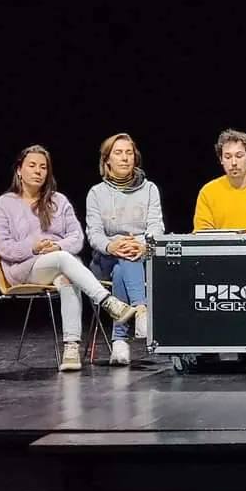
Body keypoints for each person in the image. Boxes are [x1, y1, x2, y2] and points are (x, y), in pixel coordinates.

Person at [0, 145, 139, 372]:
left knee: (68, 272)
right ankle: (107, 301)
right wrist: (34, 247)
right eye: (32, 166)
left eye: (43, 167)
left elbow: (77, 238)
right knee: (66, 261)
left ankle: (71, 347)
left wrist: (57, 245)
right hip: (23, 269)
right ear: (19, 170)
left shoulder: (58, 201)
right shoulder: (4, 204)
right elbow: (2, 246)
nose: (38, 171)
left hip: (60, 265)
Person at [85, 133, 165, 366]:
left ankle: (119, 341)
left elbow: (156, 227)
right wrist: (113, 245)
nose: (124, 158)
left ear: (135, 157)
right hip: (105, 261)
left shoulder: (149, 189)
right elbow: (94, 234)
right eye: (118, 153)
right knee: (121, 261)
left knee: (125, 267)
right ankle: (141, 310)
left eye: (129, 152)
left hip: (139, 257)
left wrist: (140, 244)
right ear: (107, 160)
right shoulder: (96, 193)